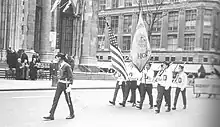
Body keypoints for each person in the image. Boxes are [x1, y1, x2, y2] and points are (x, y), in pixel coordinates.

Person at [43, 53, 75, 120]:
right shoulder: (59, 65)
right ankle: (51, 115)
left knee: (68, 99)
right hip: (60, 83)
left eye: (57, 57)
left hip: (66, 84)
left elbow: (71, 77)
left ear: (60, 58)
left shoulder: (67, 66)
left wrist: (69, 86)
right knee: (55, 99)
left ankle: (72, 113)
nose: (56, 59)